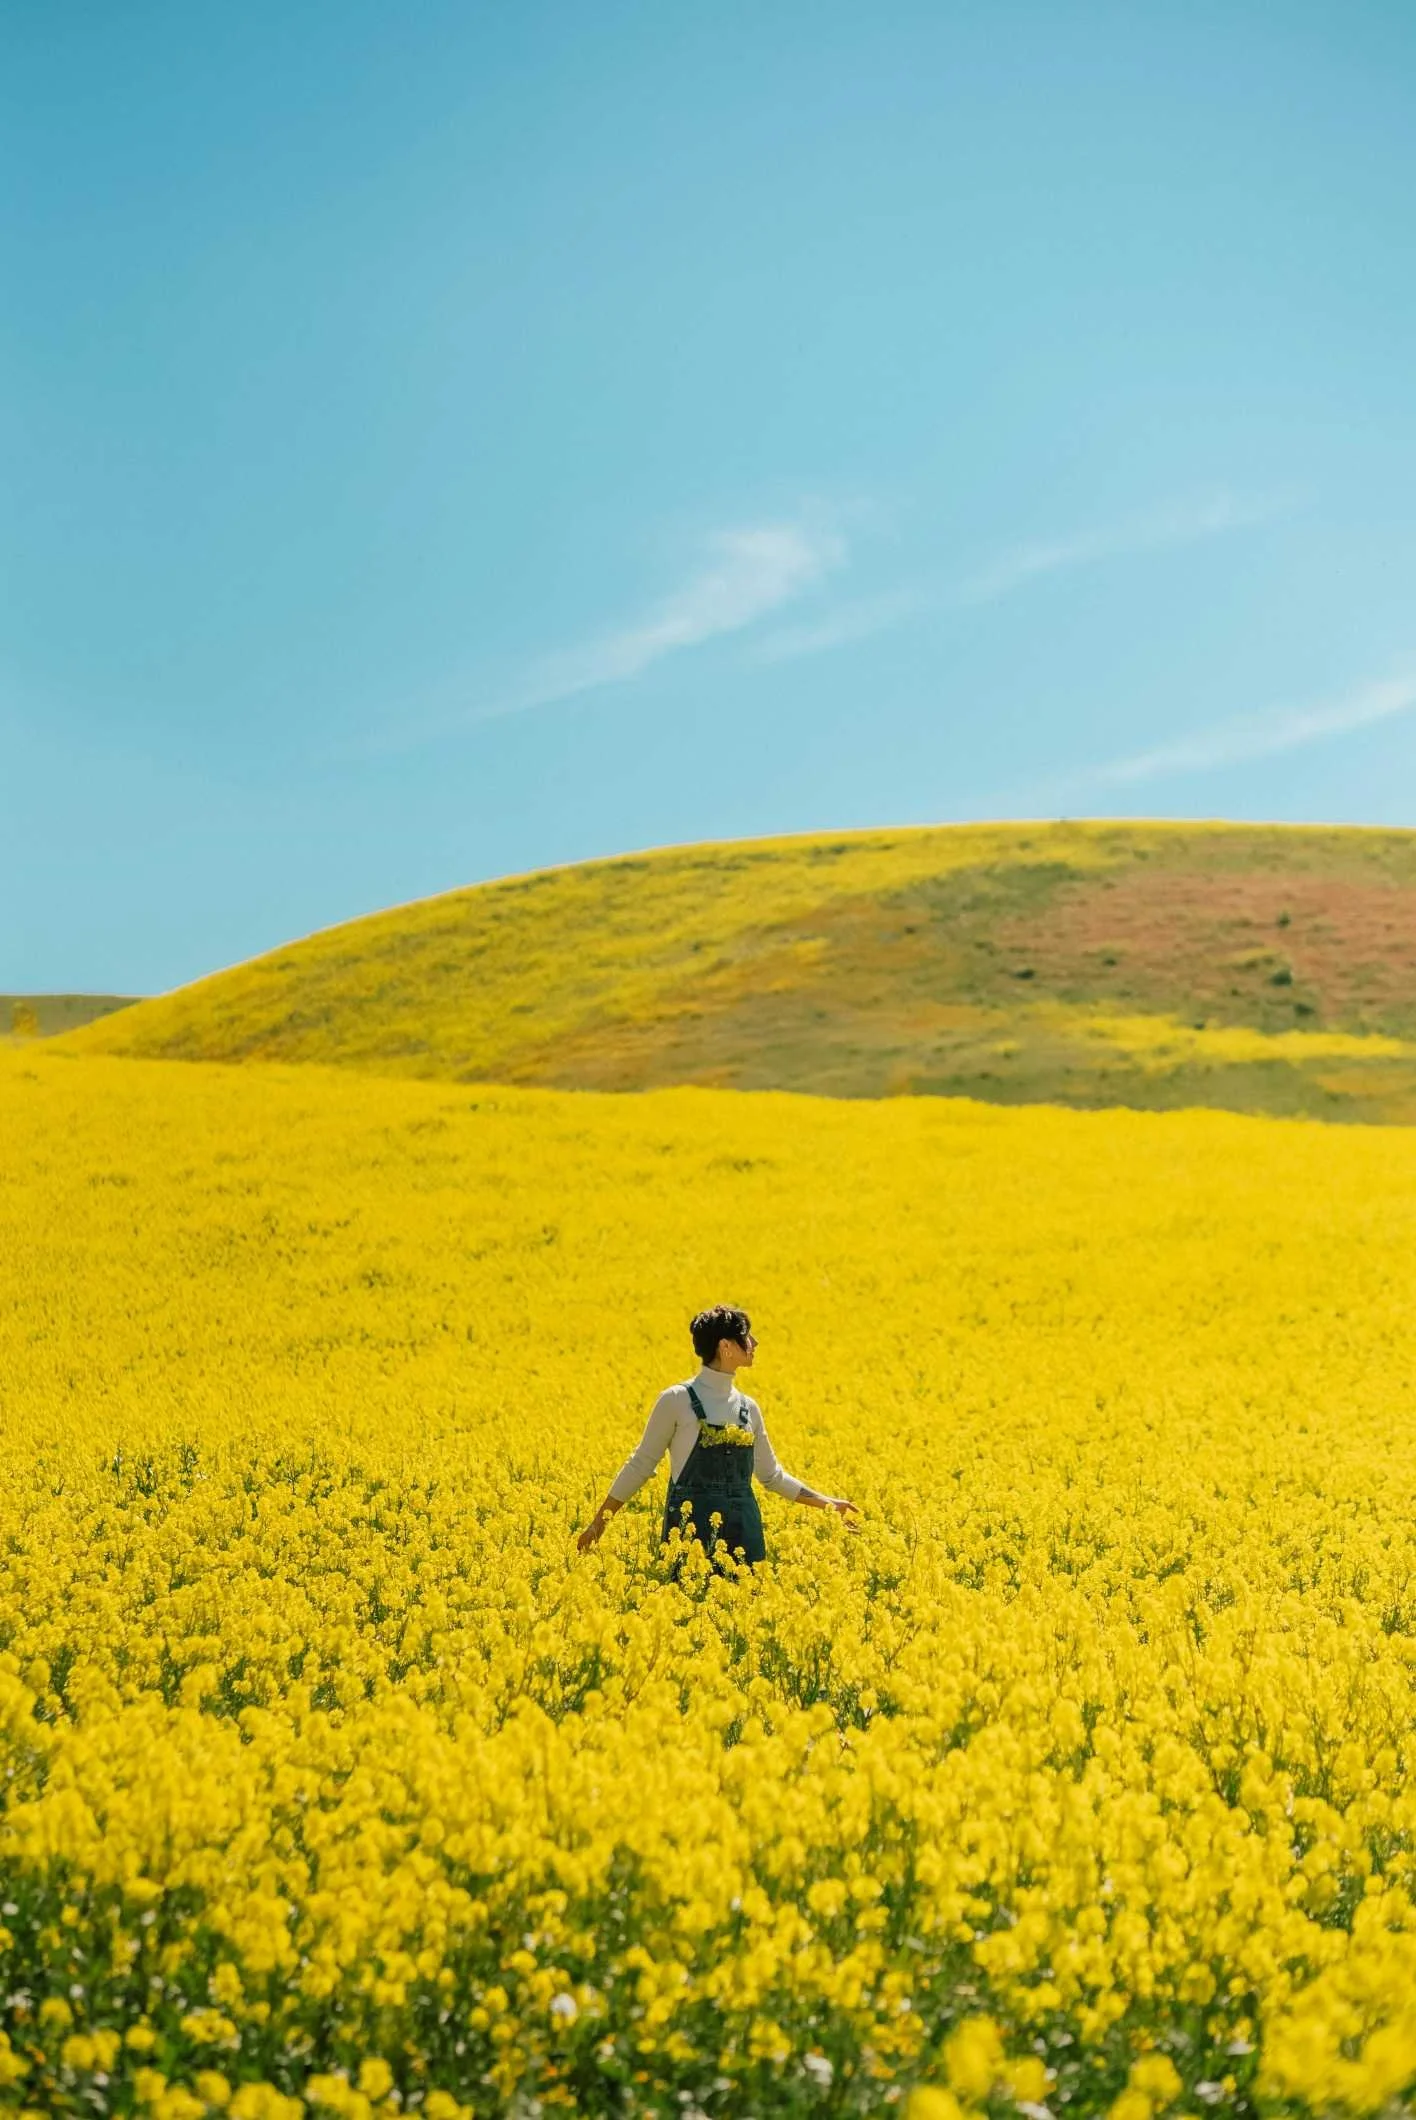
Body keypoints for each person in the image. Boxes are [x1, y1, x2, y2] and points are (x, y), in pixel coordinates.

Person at [576, 1305, 859, 1566]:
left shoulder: (749, 1408)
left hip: (745, 1536)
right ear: (725, 1347)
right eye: (746, 1336)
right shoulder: (677, 1400)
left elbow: (772, 1477)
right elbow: (640, 1465)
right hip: (690, 1537)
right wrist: (597, 1525)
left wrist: (828, 1504)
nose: (755, 1343)